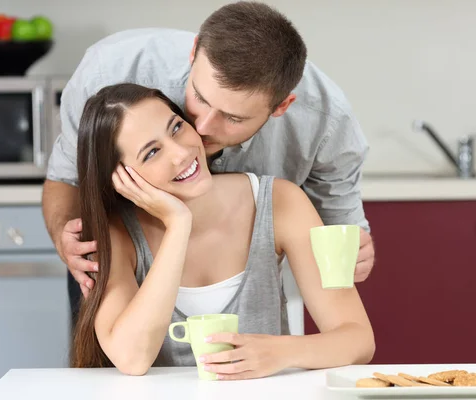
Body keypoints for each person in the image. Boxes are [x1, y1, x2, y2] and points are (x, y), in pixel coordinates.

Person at [42, 2, 375, 322]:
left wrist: (354, 255)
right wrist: (66, 238)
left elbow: (342, 233)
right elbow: (66, 180)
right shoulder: (108, 70)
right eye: (199, 97)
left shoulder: (328, 125)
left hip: (250, 293)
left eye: (232, 118)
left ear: (281, 106)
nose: (201, 128)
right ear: (194, 51)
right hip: (118, 273)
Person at [72, 82, 374, 378]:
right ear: (121, 179)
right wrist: (178, 224)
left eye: (176, 127)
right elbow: (132, 359)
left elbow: (358, 339)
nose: (181, 153)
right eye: (151, 153)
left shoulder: (279, 201)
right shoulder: (117, 233)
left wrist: (281, 352)